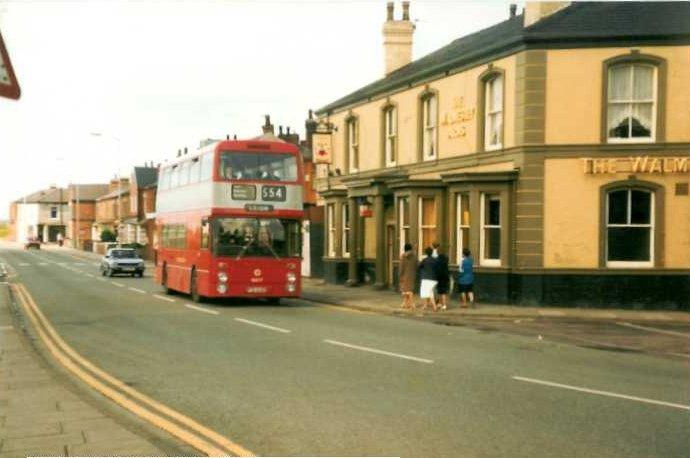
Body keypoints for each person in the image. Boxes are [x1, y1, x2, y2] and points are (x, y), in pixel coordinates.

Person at [418, 247, 439, 312]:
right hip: (434, 278)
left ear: (426, 253)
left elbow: (419, 266)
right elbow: (437, 267)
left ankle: (434, 306)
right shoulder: (435, 260)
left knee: (427, 292)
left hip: (426, 278)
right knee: (429, 292)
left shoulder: (425, 260)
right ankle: (425, 305)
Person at [398, 243, 417, 310]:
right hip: (412, 274)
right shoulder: (414, 256)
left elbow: (401, 267)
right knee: (409, 289)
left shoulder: (403, 256)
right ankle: (406, 304)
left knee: (407, 291)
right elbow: (416, 265)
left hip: (405, 275)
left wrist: (400, 275)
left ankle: (411, 304)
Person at [434, 244, 450, 310]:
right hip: (445, 276)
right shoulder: (446, 259)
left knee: (439, 291)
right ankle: (444, 305)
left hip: (439, 277)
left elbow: (436, 268)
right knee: (444, 292)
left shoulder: (437, 260)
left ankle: (440, 304)